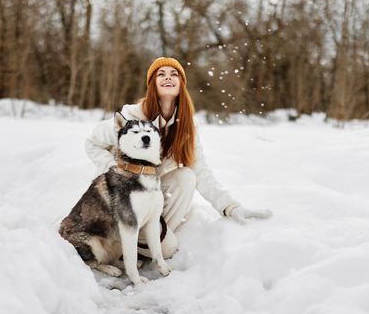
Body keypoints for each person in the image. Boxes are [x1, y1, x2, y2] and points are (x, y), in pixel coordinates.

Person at [85, 57, 272, 258]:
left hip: (150, 193)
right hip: (120, 199)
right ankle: (122, 240)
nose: (168, 78)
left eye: (174, 74)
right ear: (152, 84)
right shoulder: (131, 118)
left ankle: (146, 241)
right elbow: (92, 143)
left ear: (181, 83)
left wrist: (229, 206)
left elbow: (200, 170)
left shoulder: (186, 125)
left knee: (186, 177)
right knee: (166, 245)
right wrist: (117, 169)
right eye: (161, 74)